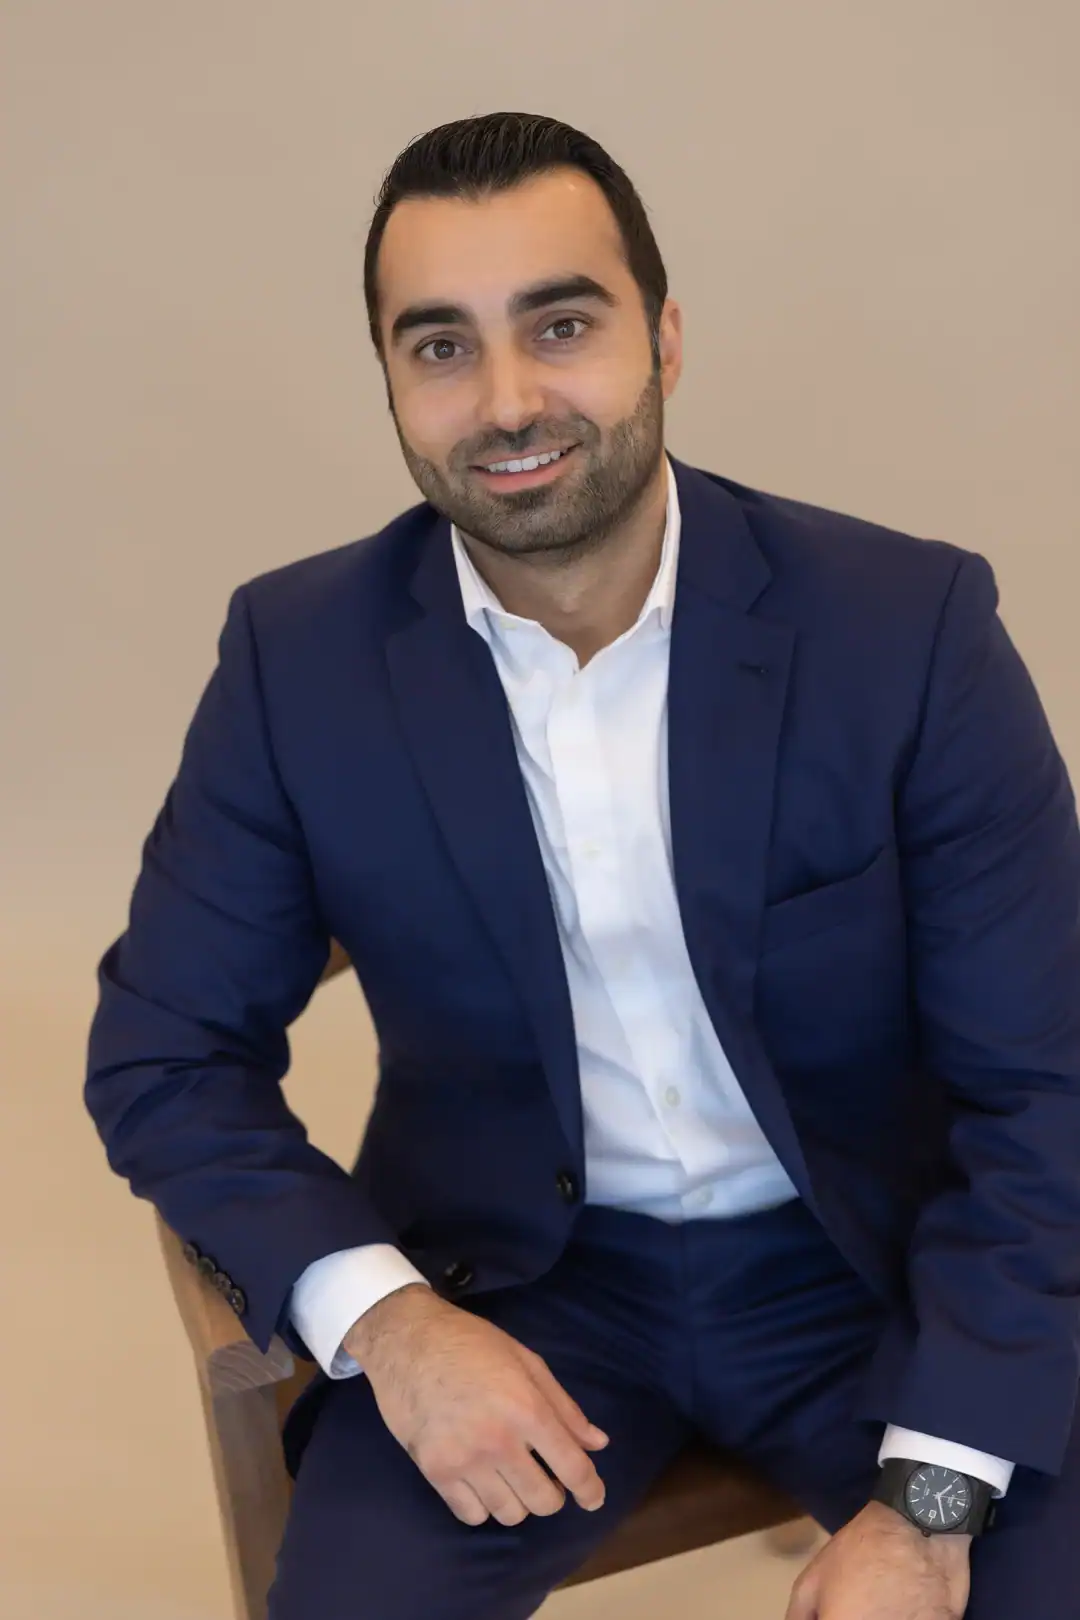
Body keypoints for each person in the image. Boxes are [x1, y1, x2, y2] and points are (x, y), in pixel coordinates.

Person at [84, 111, 1080, 1620]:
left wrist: (930, 1505)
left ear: (665, 338)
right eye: (439, 347)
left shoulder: (909, 632)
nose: (507, 400)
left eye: (561, 324)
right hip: (513, 1285)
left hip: (876, 1270)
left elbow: (1050, 1085)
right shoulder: (298, 662)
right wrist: (390, 1322)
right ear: (392, 385)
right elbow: (163, 1052)